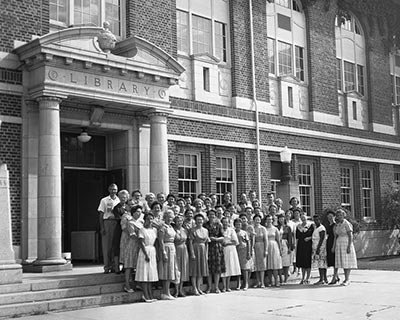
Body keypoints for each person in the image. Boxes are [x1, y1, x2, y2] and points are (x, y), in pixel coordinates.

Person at [330, 208, 358, 286]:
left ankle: (347, 279)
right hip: (339, 243)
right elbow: (336, 236)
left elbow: (350, 235)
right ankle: (340, 278)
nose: (339, 216)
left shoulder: (347, 223)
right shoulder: (338, 225)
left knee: (347, 262)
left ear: (343, 215)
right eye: (338, 215)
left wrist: (349, 246)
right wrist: (334, 246)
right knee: (341, 262)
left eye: (341, 215)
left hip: (346, 243)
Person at [120, 204, 143, 293]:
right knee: (129, 266)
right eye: (137, 212)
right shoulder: (130, 222)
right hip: (132, 245)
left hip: (139, 246)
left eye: (140, 212)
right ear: (133, 212)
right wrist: (140, 240)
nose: (139, 214)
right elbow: (132, 235)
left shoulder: (141, 222)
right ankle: (127, 285)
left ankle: (138, 283)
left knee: (138, 265)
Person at [135, 213, 158, 303]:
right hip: (145, 251)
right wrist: (146, 254)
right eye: (148, 219)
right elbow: (141, 243)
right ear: (145, 220)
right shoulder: (142, 230)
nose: (150, 221)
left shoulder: (154, 230)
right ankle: (145, 295)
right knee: (144, 274)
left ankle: (150, 294)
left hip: (152, 250)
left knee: (150, 274)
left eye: (151, 219)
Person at [98, 183, 120, 273]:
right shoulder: (104, 200)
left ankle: (115, 266)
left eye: (115, 189)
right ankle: (107, 266)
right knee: (107, 246)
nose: (113, 191)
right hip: (107, 222)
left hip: (117, 222)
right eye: (111, 189)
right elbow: (101, 214)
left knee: (115, 246)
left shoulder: (119, 200)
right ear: (108, 190)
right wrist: (102, 227)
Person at [158, 209, 179, 300]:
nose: (170, 219)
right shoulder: (163, 227)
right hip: (166, 247)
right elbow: (160, 241)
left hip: (172, 247)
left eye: (171, 217)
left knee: (171, 270)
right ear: (165, 217)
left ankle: (167, 292)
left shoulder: (171, 227)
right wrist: (163, 252)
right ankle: (165, 292)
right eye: (168, 217)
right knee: (166, 270)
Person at [204, 209, 225, 294]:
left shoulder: (219, 224)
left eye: (213, 214)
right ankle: (209, 287)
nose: (211, 216)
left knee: (217, 268)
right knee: (209, 268)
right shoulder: (205, 225)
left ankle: (216, 287)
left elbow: (223, 236)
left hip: (217, 247)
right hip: (208, 247)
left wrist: (216, 239)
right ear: (207, 216)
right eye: (210, 215)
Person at [188, 214, 210, 295]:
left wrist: (206, 253)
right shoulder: (192, 230)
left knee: (201, 270)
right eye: (198, 220)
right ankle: (194, 288)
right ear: (195, 221)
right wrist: (192, 253)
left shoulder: (206, 230)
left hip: (203, 249)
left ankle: (199, 287)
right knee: (194, 270)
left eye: (201, 219)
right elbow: (190, 242)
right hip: (195, 248)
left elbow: (207, 243)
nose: (199, 221)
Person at [221, 217, 241, 292]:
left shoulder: (231, 230)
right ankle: (224, 286)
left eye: (226, 222)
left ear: (229, 223)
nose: (225, 223)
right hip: (222, 249)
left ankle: (227, 286)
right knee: (223, 267)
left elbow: (236, 242)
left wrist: (228, 243)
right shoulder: (220, 229)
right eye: (223, 222)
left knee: (229, 267)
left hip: (230, 249)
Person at [296, 212, 314, 284]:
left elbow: (314, 235)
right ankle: (303, 278)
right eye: (302, 217)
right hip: (301, 245)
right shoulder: (298, 226)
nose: (303, 219)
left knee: (308, 261)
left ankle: (308, 278)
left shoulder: (311, 225)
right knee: (302, 262)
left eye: (304, 217)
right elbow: (297, 236)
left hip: (308, 245)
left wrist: (309, 238)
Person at [173, 214, 189, 297]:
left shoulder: (185, 230)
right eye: (178, 221)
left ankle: (181, 289)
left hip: (184, 250)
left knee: (183, 269)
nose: (179, 222)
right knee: (177, 269)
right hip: (176, 249)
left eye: (181, 221)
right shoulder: (173, 230)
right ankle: (176, 290)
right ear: (175, 222)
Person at [264, 214, 282, 287]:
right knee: (269, 265)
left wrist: (280, 249)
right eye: (268, 219)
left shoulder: (275, 229)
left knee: (275, 265)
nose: (269, 221)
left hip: (274, 246)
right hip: (266, 246)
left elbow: (278, 240)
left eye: (270, 219)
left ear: (272, 220)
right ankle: (270, 281)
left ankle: (276, 281)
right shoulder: (264, 229)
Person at [234, 218, 251, 290]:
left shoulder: (244, 232)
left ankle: (246, 283)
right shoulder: (233, 232)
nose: (238, 225)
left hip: (243, 250)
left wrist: (248, 252)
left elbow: (248, 242)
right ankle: (238, 283)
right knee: (238, 267)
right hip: (235, 250)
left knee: (245, 268)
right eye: (237, 224)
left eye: (239, 224)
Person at [252, 214, 268, 288]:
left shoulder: (263, 228)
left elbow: (266, 240)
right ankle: (258, 281)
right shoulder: (252, 228)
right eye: (256, 220)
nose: (257, 221)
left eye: (258, 219)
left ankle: (262, 282)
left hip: (262, 246)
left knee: (262, 265)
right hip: (254, 247)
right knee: (256, 265)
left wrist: (266, 250)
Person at [312, 214, 328, 285]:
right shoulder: (316, 227)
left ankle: (322, 279)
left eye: (317, 220)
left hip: (321, 247)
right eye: (315, 220)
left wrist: (318, 248)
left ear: (320, 220)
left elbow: (322, 239)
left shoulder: (322, 228)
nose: (316, 221)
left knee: (321, 264)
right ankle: (324, 278)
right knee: (321, 264)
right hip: (316, 246)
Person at [277, 214, 293, 284]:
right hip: (278, 245)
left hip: (285, 244)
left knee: (286, 263)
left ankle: (285, 279)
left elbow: (290, 237)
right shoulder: (276, 227)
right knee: (279, 262)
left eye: (282, 218)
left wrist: (290, 247)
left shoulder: (288, 227)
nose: (281, 220)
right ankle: (280, 278)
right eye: (280, 218)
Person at [325, 209, 338, 284]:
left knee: (334, 261)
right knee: (331, 261)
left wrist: (334, 246)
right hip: (328, 242)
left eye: (331, 216)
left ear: (334, 217)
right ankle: (337, 277)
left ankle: (334, 278)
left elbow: (335, 237)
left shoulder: (335, 225)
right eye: (328, 216)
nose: (330, 217)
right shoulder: (328, 225)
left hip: (333, 243)